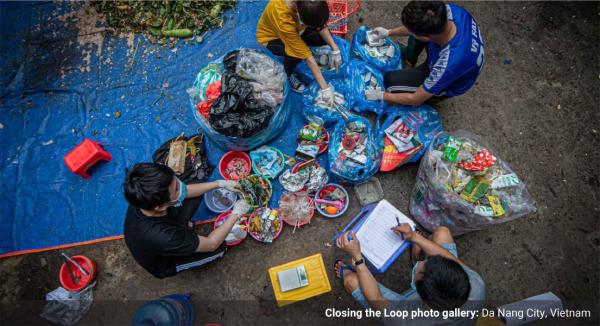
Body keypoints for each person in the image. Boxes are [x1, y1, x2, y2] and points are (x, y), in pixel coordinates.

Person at [335, 225, 485, 325]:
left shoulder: (409, 319)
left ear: (421, 297)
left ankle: (347, 272)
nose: (424, 262)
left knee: (351, 281)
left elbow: (376, 298)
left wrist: (357, 257)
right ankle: (416, 255)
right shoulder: (474, 283)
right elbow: (446, 256)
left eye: (420, 269)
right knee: (442, 232)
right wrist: (413, 236)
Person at [122, 163, 249, 279]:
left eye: (176, 182)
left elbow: (186, 191)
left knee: (195, 195)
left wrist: (219, 184)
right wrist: (236, 213)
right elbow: (212, 243)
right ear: (160, 207)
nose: (181, 187)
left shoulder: (143, 196)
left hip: (168, 225)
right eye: (176, 189)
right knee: (219, 247)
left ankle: (184, 226)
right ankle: (215, 252)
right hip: (168, 262)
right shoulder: (164, 236)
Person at [365, 1, 484, 106]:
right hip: (447, 49)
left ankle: (434, 97)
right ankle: (409, 60)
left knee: (390, 81)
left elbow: (415, 99)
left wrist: (381, 96)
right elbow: (415, 28)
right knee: (416, 34)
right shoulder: (447, 11)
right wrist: (388, 32)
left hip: (450, 79)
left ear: (427, 37)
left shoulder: (447, 65)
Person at [256, 0, 342, 100]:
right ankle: (288, 74)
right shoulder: (283, 18)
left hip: (297, 28)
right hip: (272, 38)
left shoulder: (308, 5)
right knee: (295, 55)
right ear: (299, 14)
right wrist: (325, 89)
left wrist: (335, 49)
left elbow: (320, 26)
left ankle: (305, 44)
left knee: (321, 38)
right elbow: (307, 57)